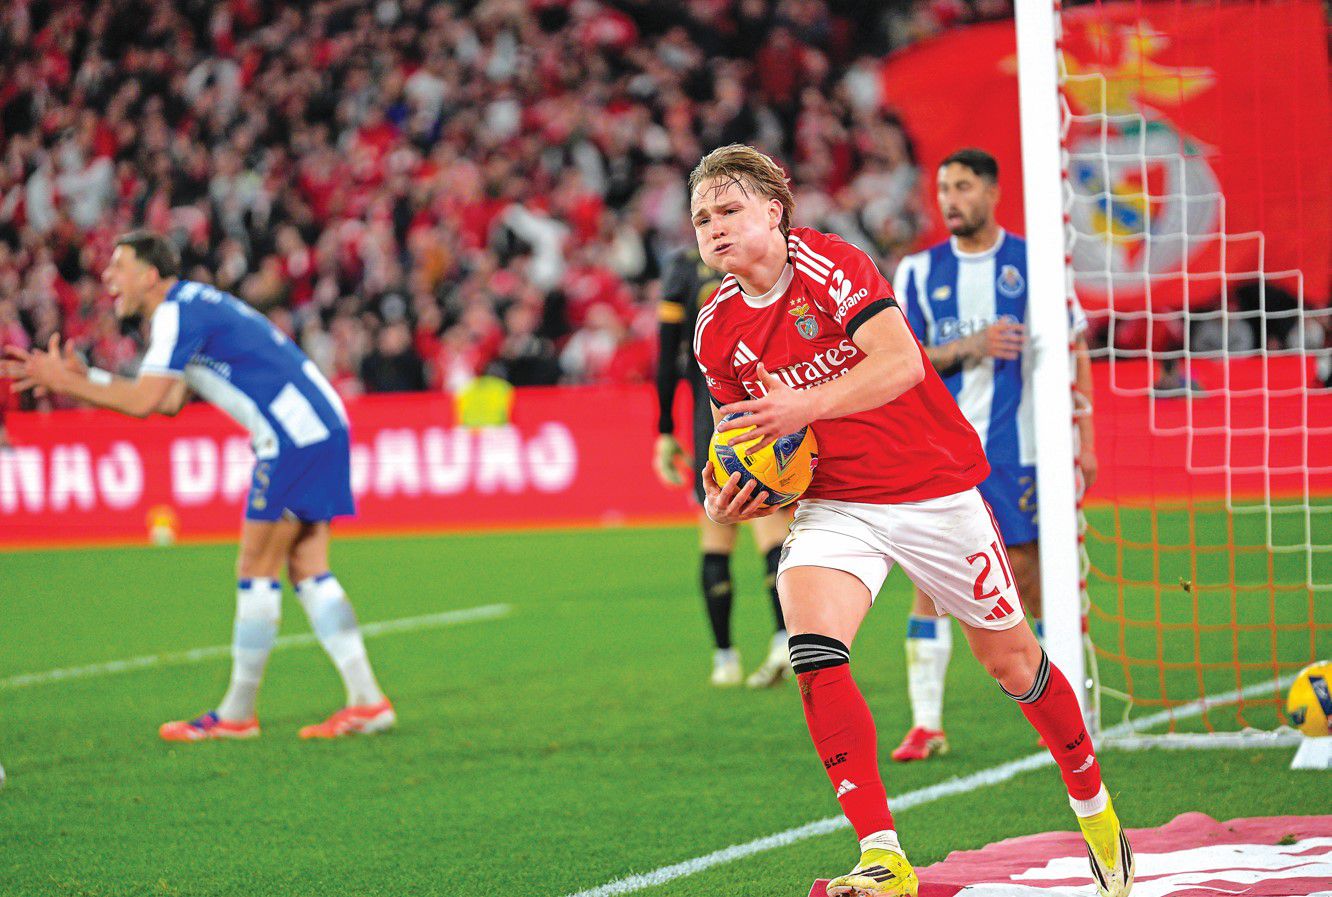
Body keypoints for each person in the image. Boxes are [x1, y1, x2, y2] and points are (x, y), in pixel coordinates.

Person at [689, 145, 1131, 897]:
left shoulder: (830, 265)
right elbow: (747, 439)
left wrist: (804, 404)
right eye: (701, 217)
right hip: (839, 504)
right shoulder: (714, 329)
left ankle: (1096, 810)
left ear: (774, 209)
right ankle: (882, 853)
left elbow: (902, 362)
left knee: (1012, 662)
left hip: (933, 488)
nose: (714, 227)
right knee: (813, 642)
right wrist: (737, 492)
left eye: (729, 209)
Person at [2, 231, 394, 742]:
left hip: (291, 436)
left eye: (119, 266)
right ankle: (367, 701)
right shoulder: (192, 307)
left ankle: (236, 715)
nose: (108, 277)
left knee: (256, 567)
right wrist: (90, 379)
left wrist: (65, 382)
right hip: (321, 425)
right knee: (307, 567)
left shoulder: (174, 312)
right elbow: (168, 402)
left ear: (149, 273)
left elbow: (145, 401)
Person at [889, 148, 1098, 763]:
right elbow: (901, 357)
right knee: (929, 582)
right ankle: (926, 724)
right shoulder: (919, 272)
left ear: (992, 192)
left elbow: (1075, 347)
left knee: (1032, 581)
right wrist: (970, 345)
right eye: (943, 188)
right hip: (942, 451)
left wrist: (1084, 437)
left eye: (962, 186)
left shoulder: (1035, 264)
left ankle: (1060, 717)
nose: (950, 199)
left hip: (1022, 451)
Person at [655, 246, 795, 687]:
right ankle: (781, 641)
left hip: (707, 412)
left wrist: (663, 429)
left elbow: (666, 356)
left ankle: (724, 658)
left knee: (716, 533)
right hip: (762, 399)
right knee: (770, 525)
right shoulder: (764, 257)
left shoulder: (682, 269)